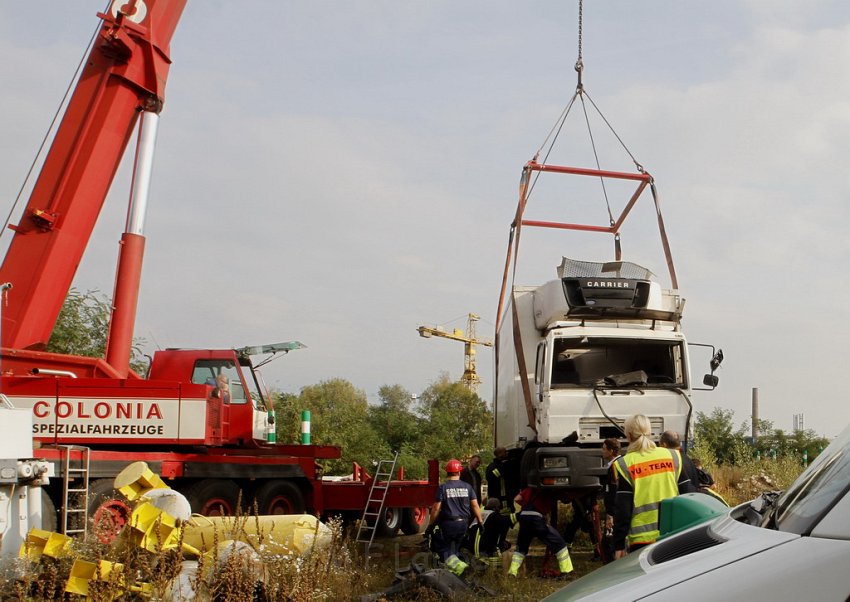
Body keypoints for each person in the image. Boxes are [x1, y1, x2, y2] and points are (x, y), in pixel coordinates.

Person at [613, 415, 691, 559]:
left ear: (628, 435)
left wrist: (618, 544)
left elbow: (623, 510)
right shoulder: (672, 456)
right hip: (673, 534)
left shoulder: (625, 464)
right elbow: (689, 495)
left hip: (642, 540)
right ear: (650, 432)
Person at [426, 458, 484, 576]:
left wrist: (430, 525)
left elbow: (436, 508)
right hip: (463, 524)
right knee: (454, 550)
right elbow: (475, 506)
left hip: (449, 524)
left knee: (442, 549)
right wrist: (480, 522)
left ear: (447, 472)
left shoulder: (443, 488)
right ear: (459, 472)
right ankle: (456, 575)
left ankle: (462, 567)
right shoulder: (467, 487)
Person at [507, 486, 573, 577]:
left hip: (524, 517)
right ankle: (566, 571)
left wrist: (525, 504)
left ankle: (512, 572)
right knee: (559, 543)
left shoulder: (529, 488)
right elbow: (565, 499)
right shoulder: (548, 489)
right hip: (536, 517)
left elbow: (517, 499)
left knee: (521, 547)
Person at [462, 497, 517, 570]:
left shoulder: (479, 514)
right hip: (484, 547)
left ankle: (481, 564)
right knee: (499, 547)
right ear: (496, 508)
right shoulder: (494, 516)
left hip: (470, 546)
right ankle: (495, 571)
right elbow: (508, 520)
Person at [600, 437, 621, 563]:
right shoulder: (613, 466)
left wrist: (611, 514)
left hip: (614, 513)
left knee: (608, 543)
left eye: (604, 449)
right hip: (615, 512)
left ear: (611, 451)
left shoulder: (615, 466)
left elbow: (614, 492)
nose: (602, 451)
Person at [485, 447, 519, 513]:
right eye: (505, 452)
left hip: (508, 500)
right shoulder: (492, 467)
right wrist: (504, 464)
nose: (507, 453)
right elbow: (495, 476)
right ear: (499, 454)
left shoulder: (508, 464)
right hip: (499, 501)